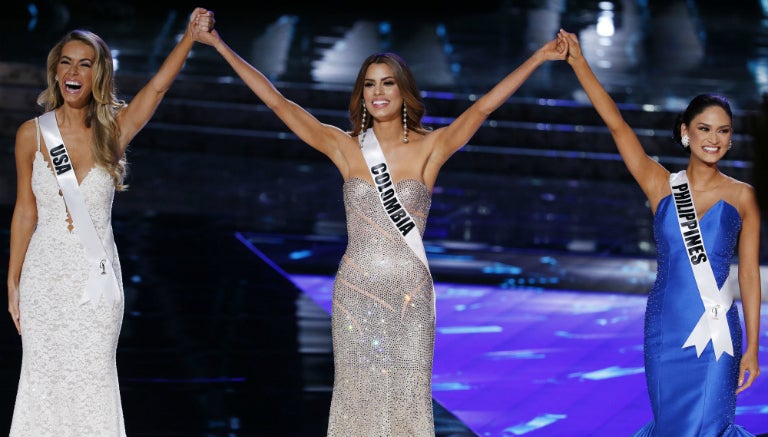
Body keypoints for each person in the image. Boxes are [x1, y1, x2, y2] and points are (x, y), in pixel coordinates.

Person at [193, 20, 566, 435]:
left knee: (406, 401)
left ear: (403, 91)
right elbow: (279, 103)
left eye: (387, 83)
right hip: (356, 292)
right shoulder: (345, 146)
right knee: (358, 399)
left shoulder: (432, 147)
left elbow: (482, 108)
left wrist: (539, 56)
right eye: (369, 85)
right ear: (361, 94)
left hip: (411, 295)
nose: (378, 92)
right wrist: (219, 45)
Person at [6, 8, 214, 436]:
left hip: (95, 283)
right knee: (43, 382)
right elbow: (25, 209)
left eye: (85, 63)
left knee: (93, 380)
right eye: (66, 62)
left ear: (99, 74)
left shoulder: (112, 131)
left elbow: (156, 89)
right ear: (55, 72)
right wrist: (12, 281)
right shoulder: (32, 134)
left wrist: (189, 38)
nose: (73, 71)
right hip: (43, 279)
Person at [557, 29, 761, 436]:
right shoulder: (660, 184)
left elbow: (751, 277)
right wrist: (579, 61)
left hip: (717, 333)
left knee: (710, 425)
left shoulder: (743, 197)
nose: (714, 139)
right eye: (704, 129)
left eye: (723, 131)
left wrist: (754, 347)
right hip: (666, 329)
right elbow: (617, 127)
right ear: (686, 131)